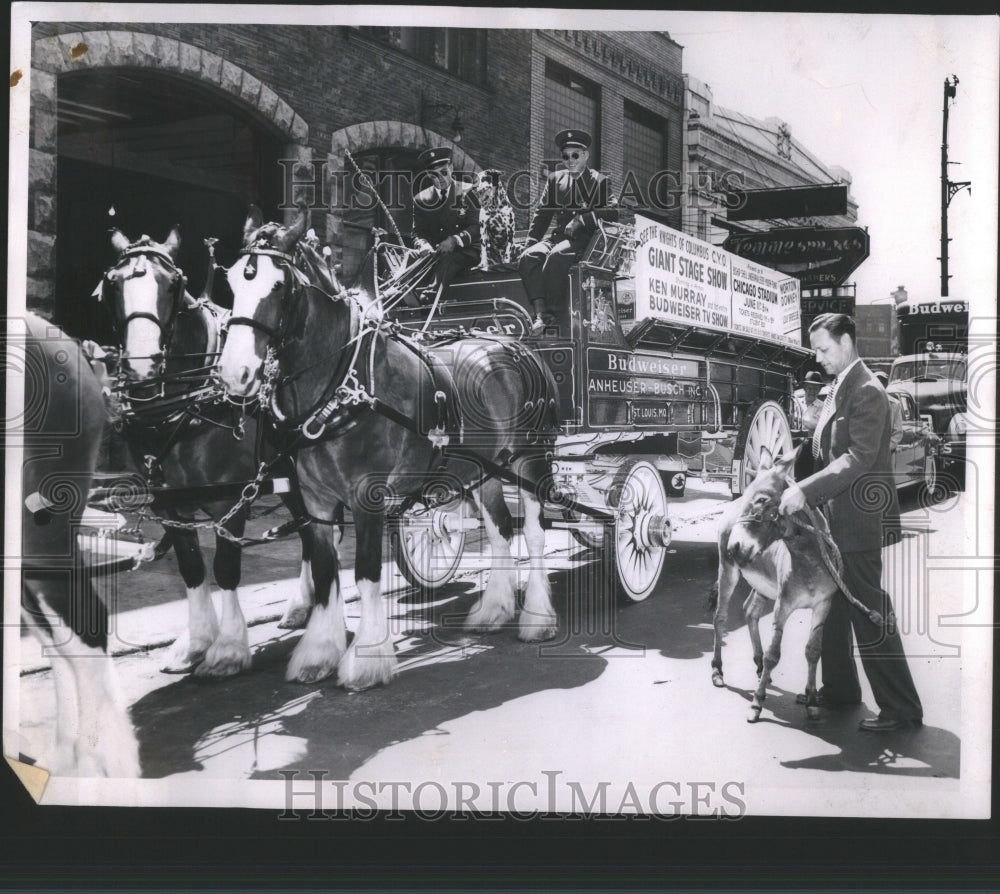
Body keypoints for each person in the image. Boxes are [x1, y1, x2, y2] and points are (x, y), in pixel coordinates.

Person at [779, 313, 923, 732]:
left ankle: (902, 708)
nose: (819, 358)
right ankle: (842, 690)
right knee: (834, 608)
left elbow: (857, 458)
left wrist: (806, 490)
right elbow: (823, 446)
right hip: (834, 525)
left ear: (846, 341)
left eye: (824, 349)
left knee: (869, 611)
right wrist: (790, 471)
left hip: (858, 523)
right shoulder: (840, 387)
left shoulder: (867, 391)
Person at [518, 129, 618, 334]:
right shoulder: (556, 179)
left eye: (575, 155)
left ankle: (553, 312)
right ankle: (540, 312)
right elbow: (542, 215)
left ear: (586, 156)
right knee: (528, 256)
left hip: (583, 240)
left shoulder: (599, 181)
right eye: (565, 156)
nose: (570, 160)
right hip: (559, 237)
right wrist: (530, 242)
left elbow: (613, 211)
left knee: (557, 256)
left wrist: (582, 219)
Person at [410, 146, 481, 297]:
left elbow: (477, 226)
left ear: (451, 167)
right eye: (434, 175)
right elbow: (417, 232)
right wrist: (423, 245)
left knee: (448, 260)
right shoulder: (421, 199)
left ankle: (430, 295)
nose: (440, 178)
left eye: (444, 172)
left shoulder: (468, 191)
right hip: (435, 254)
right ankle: (401, 294)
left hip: (465, 252)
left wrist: (455, 240)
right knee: (410, 256)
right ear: (428, 175)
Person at [874, 370, 904, 453]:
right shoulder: (864, 403)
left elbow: (898, 431)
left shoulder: (894, 404)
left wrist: (886, 448)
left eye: (882, 382)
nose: (880, 385)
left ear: (886, 385)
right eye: (877, 382)